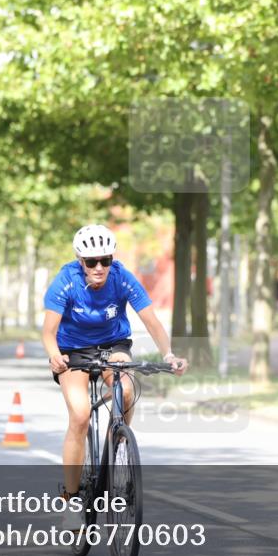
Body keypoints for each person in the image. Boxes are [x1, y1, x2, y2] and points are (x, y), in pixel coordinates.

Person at [42, 224, 188, 530]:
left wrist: (168, 355)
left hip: (113, 345)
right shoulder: (65, 281)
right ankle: (71, 501)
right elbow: (48, 332)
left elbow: (151, 321)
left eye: (105, 260)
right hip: (73, 350)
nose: (99, 268)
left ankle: (117, 441)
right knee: (80, 416)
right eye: (92, 261)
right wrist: (55, 355)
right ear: (80, 260)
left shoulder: (122, 277)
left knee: (126, 389)